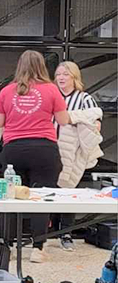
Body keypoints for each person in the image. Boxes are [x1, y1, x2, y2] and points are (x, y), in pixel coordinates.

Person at [0, 50, 70, 264]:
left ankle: (9, 245)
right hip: (44, 149)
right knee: (41, 198)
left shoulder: (7, 92)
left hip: (14, 149)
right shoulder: (52, 90)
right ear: (42, 67)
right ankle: (38, 248)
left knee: (11, 196)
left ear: (19, 66)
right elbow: (63, 120)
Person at [53, 61, 103, 251]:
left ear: (74, 77)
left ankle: (66, 233)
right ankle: (44, 234)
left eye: (66, 74)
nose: (61, 78)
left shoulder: (84, 98)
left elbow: (95, 121)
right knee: (49, 191)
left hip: (73, 152)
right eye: (58, 75)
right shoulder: (52, 96)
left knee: (69, 191)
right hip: (52, 149)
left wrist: (74, 118)